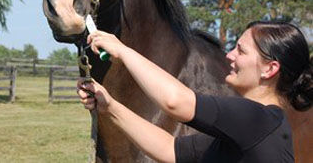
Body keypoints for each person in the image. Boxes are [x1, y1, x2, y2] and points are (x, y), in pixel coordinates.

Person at [77, 21, 312, 163]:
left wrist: (123, 51)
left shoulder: (259, 119)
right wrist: (109, 107)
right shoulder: (252, 128)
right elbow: (170, 150)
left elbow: (176, 102)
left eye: (241, 51)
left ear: (270, 69)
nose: (229, 55)